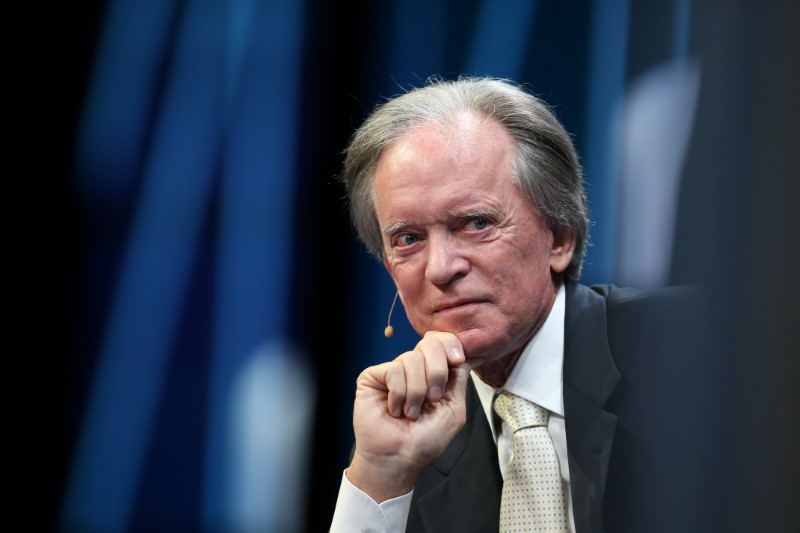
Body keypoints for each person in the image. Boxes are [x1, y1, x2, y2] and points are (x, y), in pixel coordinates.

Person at [329, 76, 705, 532]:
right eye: (408, 239)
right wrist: (380, 473)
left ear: (560, 238)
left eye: (476, 223)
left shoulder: (701, 346)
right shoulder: (410, 448)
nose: (440, 268)